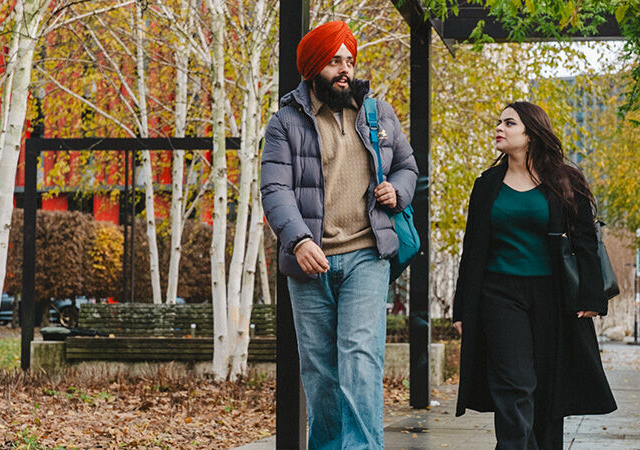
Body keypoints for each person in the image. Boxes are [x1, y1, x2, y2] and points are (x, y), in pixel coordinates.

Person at [260, 21, 419, 449]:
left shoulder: (377, 113)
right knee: (320, 370)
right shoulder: (284, 123)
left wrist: (398, 191)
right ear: (314, 66)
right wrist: (298, 239)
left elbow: (408, 167)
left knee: (361, 360)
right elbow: (274, 189)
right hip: (311, 261)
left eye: (349, 60)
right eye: (335, 61)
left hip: (368, 253)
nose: (345, 69)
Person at [452, 102, 617, 449]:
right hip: (498, 294)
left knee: (546, 390)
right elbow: (472, 249)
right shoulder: (486, 185)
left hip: (553, 296)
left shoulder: (565, 181)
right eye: (499, 121)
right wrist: (462, 308)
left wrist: (591, 296)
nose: (499, 127)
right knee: (514, 383)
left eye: (509, 123)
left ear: (531, 134)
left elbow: (586, 241)